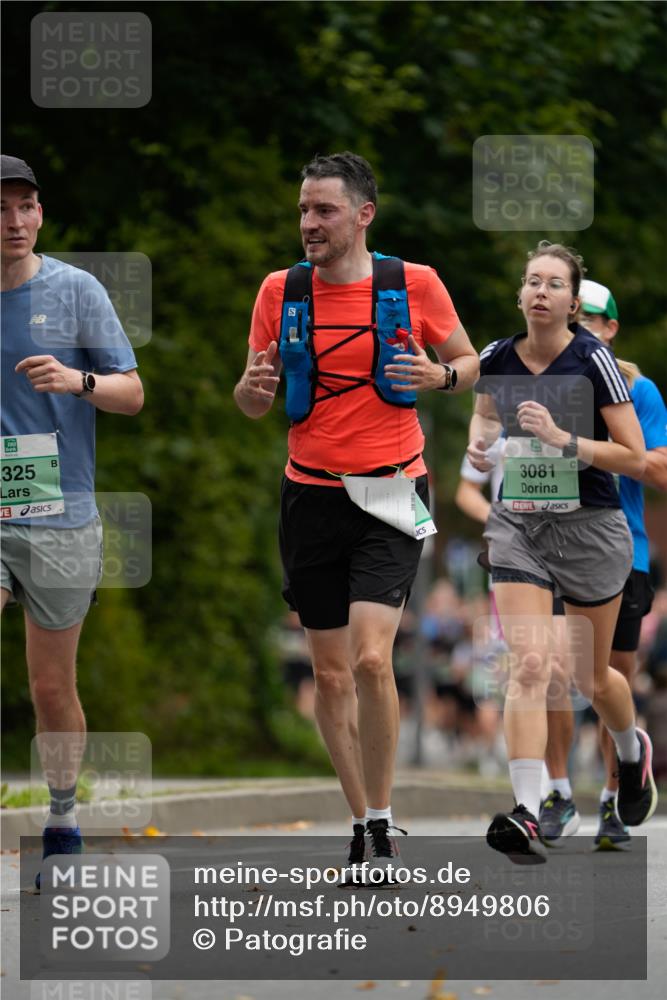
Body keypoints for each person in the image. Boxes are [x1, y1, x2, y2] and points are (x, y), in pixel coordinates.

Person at [234, 152, 478, 881]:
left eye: (324, 211)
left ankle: (383, 816)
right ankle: (363, 824)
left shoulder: (414, 284)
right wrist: (251, 386)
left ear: (363, 214)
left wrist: (439, 375)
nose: (308, 223)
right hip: (309, 494)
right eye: (304, 210)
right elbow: (251, 403)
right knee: (331, 675)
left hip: (393, 491)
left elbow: (471, 362)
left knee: (374, 658)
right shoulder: (281, 291)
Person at [468, 240, 657, 863]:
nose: (540, 291)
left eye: (553, 283)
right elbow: (485, 421)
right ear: (520, 295)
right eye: (531, 281)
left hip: (592, 527)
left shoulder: (594, 360)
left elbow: (633, 456)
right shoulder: (497, 354)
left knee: (586, 676)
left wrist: (561, 437)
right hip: (521, 524)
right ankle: (526, 810)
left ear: (572, 303)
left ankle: (631, 753)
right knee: (527, 665)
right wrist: (482, 447)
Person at [0, 155, 144, 886]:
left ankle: (61, 814)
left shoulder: (76, 292)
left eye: (26, 206)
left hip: (61, 514)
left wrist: (76, 380)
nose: (16, 221)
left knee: (51, 686)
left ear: (41, 214)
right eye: (2, 209)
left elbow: (133, 393)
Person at [540, 279, 667, 849]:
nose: (579, 325)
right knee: (550, 673)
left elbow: (660, 471)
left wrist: (600, 450)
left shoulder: (639, 392)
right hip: (551, 549)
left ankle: (615, 798)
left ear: (610, 329)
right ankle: (558, 791)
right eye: (573, 316)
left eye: (590, 317)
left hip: (623, 551)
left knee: (605, 684)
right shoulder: (539, 382)